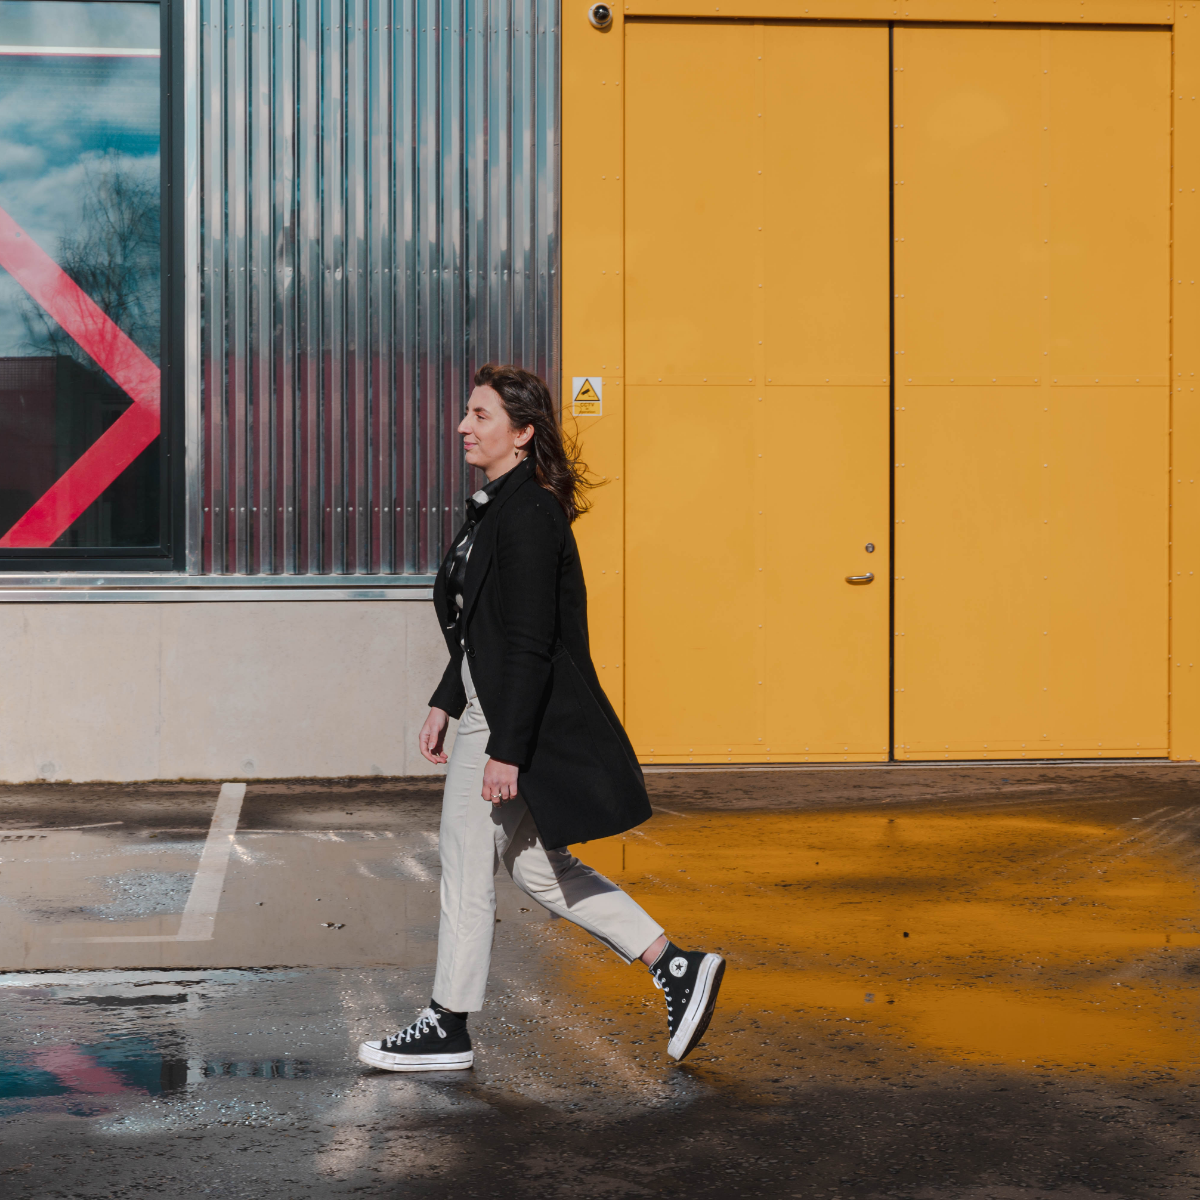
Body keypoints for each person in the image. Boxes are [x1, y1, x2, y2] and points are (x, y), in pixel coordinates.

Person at [358, 363, 725, 1073]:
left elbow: (528, 643)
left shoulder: (529, 514)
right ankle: (675, 967)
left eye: (482, 415)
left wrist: (506, 748)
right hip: (488, 706)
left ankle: (448, 1024)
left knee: (467, 861)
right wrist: (445, 694)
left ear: (523, 434)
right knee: (535, 869)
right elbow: (480, 628)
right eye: (467, 413)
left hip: (504, 720)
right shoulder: (499, 507)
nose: (464, 426)